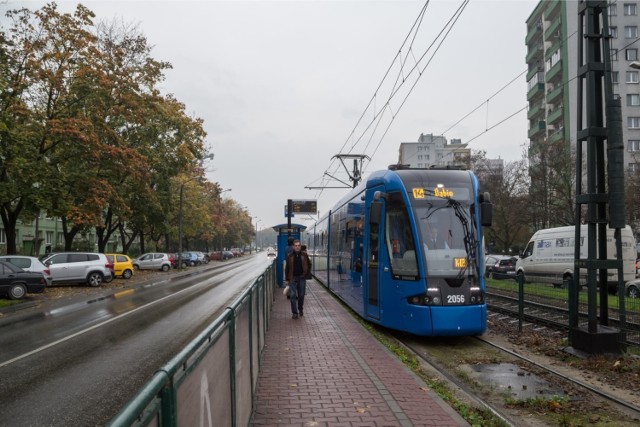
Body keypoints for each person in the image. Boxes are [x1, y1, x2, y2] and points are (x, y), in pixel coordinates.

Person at [284, 239, 311, 319]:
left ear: (300, 246)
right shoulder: (290, 256)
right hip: (293, 278)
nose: (297, 247)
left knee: (301, 295)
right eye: (295, 246)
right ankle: (294, 313)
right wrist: (287, 279)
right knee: (292, 296)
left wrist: (306, 274)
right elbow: (287, 268)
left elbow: (309, 264)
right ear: (293, 247)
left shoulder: (304, 255)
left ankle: (300, 308)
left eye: (298, 245)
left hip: (302, 278)